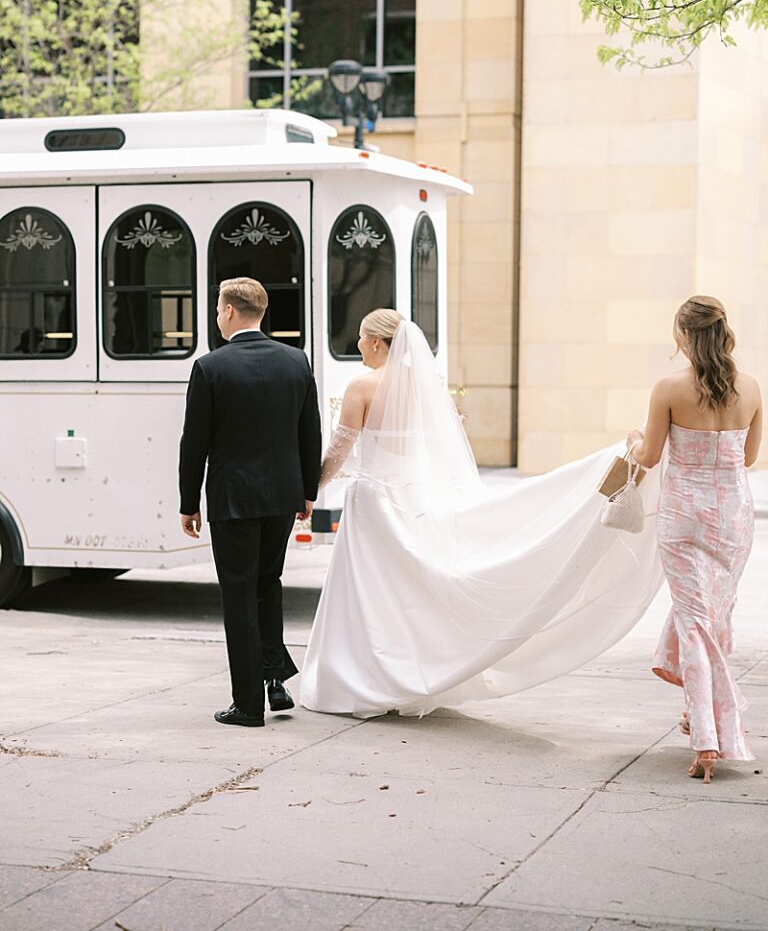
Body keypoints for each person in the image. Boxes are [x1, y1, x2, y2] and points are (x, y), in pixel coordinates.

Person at [301, 309, 667, 718]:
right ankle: (406, 672)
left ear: (376, 342)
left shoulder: (362, 386)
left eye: (362, 338)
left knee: (367, 595)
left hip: (372, 502)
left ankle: (366, 677)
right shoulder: (424, 386)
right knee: (403, 596)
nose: (358, 346)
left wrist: (311, 487)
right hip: (415, 501)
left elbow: (340, 448)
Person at [626, 296, 761, 783]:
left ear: (684, 335)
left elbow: (650, 456)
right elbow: (747, 458)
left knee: (696, 622)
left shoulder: (668, 388)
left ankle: (709, 737)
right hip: (734, 518)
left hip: (684, 517)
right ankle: (697, 713)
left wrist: (633, 440)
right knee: (712, 616)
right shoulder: (750, 387)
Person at [179, 277, 321, 727]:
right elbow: (309, 434)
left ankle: (247, 705)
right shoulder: (296, 361)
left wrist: (189, 502)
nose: (218, 315)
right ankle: (275, 681)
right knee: (268, 585)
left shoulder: (210, 368)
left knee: (239, 596)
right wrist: (307, 493)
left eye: (219, 308)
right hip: (282, 495)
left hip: (234, 498)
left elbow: (193, 443)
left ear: (230, 312)